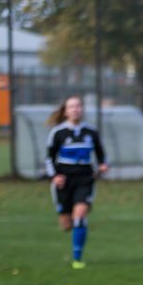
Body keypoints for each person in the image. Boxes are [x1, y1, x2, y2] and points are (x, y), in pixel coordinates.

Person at [45, 95, 108, 269]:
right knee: (67, 224)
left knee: (79, 216)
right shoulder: (57, 133)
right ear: (65, 112)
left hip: (85, 179)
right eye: (72, 107)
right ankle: (65, 216)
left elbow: (101, 154)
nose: (76, 109)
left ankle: (77, 258)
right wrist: (54, 176)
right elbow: (49, 158)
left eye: (78, 106)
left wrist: (103, 165)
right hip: (63, 181)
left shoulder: (91, 132)